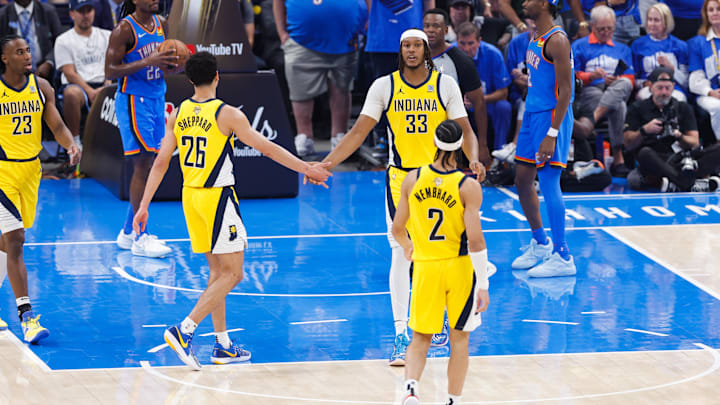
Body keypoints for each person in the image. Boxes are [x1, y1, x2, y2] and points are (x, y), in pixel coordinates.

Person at [133, 51, 332, 370]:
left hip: (191, 198)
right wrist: (306, 168)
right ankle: (184, 330)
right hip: (217, 197)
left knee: (217, 274)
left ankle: (222, 344)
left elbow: (160, 162)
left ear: (188, 79)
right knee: (235, 273)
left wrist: (143, 206)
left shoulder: (179, 112)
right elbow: (267, 148)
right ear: (217, 77)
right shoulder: (226, 114)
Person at [311, 29, 483, 366]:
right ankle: (401, 333)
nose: (412, 50)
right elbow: (359, 131)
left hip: (442, 178)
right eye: (406, 45)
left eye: (417, 45)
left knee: (444, 252)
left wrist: (474, 157)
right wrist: (326, 164)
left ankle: (441, 319)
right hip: (401, 179)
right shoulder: (384, 86)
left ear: (425, 50)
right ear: (400, 50)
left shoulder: (444, 84)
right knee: (401, 253)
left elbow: (465, 131)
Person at [391, 119, 490, 405]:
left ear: (434, 143)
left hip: (425, 267)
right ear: (460, 146)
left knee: (420, 337)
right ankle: (452, 401)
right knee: (459, 340)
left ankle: (410, 390)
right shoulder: (467, 185)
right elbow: (476, 241)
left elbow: (398, 229)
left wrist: (410, 248)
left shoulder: (412, 179)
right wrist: (482, 284)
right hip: (459, 269)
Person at [0, 34, 81, 342]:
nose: (26, 55)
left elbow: (57, 126)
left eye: (28, 50)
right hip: (2, 171)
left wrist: (71, 144)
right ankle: (26, 317)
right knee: (17, 239)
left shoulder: (41, 87)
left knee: (8, 242)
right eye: (18, 52)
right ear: (4, 58)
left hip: (30, 171)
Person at [105, 0, 178, 258]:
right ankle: (139, 236)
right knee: (142, 164)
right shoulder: (124, 30)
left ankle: (127, 231)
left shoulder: (162, 24)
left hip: (157, 97)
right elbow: (110, 71)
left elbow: (165, 64)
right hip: (134, 100)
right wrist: (149, 61)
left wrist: (172, 64)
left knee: (150, 165)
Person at [511, 0, 576, 278]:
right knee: (522, 179)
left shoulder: (557, 40)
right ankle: (541, 243)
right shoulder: (533, 36)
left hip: (551, 118)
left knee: (549, 182)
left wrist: (552, 133)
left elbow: (567, 93)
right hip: (532, 113)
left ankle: (563, 256)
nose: (524, 2)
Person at [272, 0, 366, 156]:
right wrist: (281, 32)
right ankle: (304, 137)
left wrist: (368, 22)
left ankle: (339, 137)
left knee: (342, 89)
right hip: (301, 40)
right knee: (300, 91)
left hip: (345, 41)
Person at [625, 67, 720, 192]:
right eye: (660, 88)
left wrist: (679, 135)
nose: (664, 92)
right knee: (644, 154)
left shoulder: (682, 107)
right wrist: (644, 130)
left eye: (668, 88)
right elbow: (628, 144)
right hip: (656, 160)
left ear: (673, 87)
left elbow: (694, 142)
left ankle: (677, 183)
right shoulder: (637, 108)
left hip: (684, 159)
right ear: (650, 87)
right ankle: (689, 184)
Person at [572, 5, 634, 177]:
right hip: (591, 90)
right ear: (592, 26)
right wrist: (591, 76)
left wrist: (615, 80)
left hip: (615, 88)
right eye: (601, 29)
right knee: (619, 106)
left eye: (610, 29)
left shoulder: (623, 49)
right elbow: (572, 76)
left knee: (624, 84)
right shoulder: (579, 46)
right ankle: (618, 158)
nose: (606, 32)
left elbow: (631, 79)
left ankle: (593, 120)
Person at [423, 9, 490, 164]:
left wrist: (482, 144)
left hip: (449, 132)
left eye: (436, 26)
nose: (431, 30)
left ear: (446, 30)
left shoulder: (461, 60)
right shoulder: (413, 57)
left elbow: (479, 103)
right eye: (427, 26)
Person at [54, 0, 112, 147]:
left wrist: (107, 85)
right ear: (72, 14)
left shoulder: (107, 35)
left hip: (105, 83)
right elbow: (69, 73)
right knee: (72, 94)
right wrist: (91, 92)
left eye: (89, 10)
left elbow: (112, 65)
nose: (85, 15)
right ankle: (75, 142)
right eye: (81, 11)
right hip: (79, 85)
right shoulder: (63, 40)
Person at [455, 21, 511, 152]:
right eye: (462, 43)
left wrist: (479, 99)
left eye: (471, 43)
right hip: (459, 105)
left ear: (479, 41)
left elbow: (503, 93)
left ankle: (499, 152)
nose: (467, 48)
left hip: (487, 103)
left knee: (504, 107)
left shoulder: (493, 54)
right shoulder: (449, 54)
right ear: (456, 41)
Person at [631, 3, 688, 102]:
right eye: (650, 19)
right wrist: (644, 84)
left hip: (673, 89)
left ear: (666, 22)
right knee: (646, 97)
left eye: (656, 20)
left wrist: (671, 68)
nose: (652, 24)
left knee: (678, 99)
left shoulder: (680, 45)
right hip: (648, 89)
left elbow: (685, 82)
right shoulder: (638, 45)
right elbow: (633, 77)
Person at [0, 0, 64, 81]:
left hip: (44, 73)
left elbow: (60, 43)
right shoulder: (2, 15)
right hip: (12, 74)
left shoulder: (48, 11)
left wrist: (49, 62)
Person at [689, 0, 720, 143]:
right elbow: (695, 79)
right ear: (706, 14)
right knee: (718, 107)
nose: (715, 13)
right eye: (711, 10)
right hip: (709, 94)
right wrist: (710, 92)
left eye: (718, 9)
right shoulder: (698, 42)